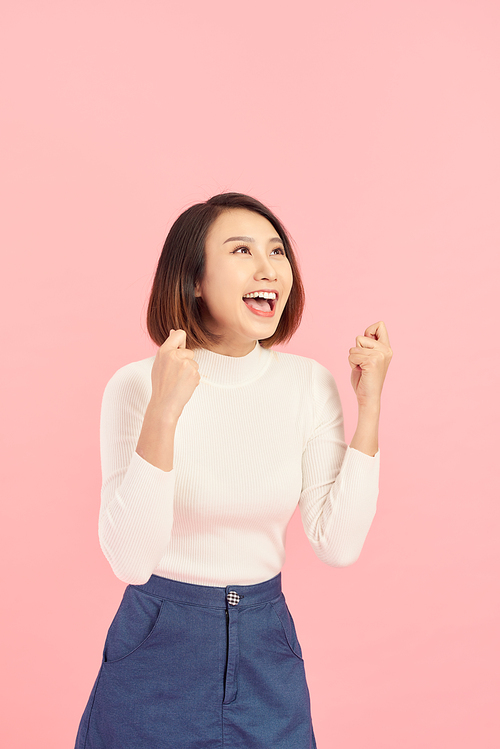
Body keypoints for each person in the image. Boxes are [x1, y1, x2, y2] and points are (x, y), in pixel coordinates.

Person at [74, 192, 392, 749]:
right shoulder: (135, 386)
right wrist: (164, 409)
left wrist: (370, 406)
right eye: (242, 250)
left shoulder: (308, 385)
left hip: (266, 646)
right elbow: (130, 558)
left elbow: (337, 545)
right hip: (157, 644)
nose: (269, 268)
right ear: (194, 279)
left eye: (277, 251)